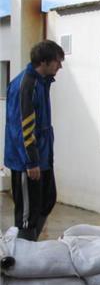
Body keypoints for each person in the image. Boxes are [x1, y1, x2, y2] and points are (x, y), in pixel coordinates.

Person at [4, 40, 64, 240]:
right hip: (27, 162)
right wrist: (31, 161)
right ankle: (22, 257)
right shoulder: (26, 85)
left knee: (47, 200)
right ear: (44, 62)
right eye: (57, 61)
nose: (60, 66)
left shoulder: (42, 83)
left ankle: (31, 249)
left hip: (43, 157)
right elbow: (23, 126)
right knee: (27, 215)